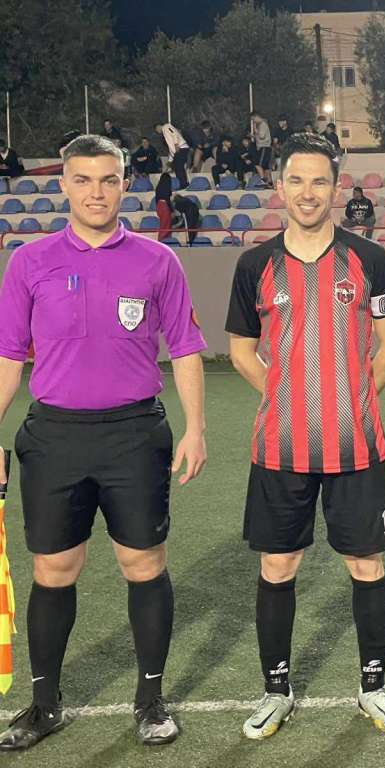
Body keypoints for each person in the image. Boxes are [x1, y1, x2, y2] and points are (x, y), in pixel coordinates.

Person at [0, 135, 207, 750]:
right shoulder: (28, 262)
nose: (96, 192)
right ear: (64, 185)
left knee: (143, 564)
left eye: (109, 180)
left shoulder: (157, 262)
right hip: (54, 436)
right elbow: (8, 356)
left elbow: (186, 348)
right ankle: (44, 705)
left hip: (134, 435)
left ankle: (150, 701)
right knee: (53, 569)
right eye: (84, 180)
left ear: (124, 184)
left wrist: (196, 427)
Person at [226, 132, 385, 739]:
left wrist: (350, 400)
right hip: (279, 447)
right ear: (280, 187)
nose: (308, 192)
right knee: (278, 563)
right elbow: (241, 351)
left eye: (320, 181)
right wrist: (288, 397)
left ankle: (373, 687)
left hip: (356, 444)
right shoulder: (254, 265)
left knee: (366, 563)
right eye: (297, 181)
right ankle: (275, 690)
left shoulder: (371, 259)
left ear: (335, 189)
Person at [154, 122, 190, 188]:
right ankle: (182, 183)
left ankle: (183, 184)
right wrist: (170, 161)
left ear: (158, 126)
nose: (158, 132)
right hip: (178, 150)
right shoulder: (165, 134)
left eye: (156, 130)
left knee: (179, 167)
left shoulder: (166, 126)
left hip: (181, 147)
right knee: (177, 167)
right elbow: (171, 150)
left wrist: (176, 144)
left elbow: (174, 133)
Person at [250, 112, 273, 186]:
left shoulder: (262, 124)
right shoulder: (264, 124)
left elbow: (261, 136)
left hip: (264, 147)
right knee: (266, 167)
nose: (254, 121)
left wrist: (255, 131)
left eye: (253, 119)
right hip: (266, 147)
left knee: (257, 164)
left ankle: (263, 180)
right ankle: (269, 183)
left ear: (256, 117)